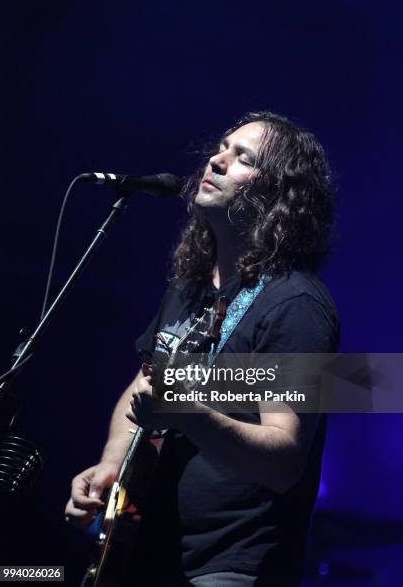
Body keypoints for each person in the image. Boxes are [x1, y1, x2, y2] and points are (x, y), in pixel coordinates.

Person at [65, 111, 340, 586]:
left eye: (242, 158)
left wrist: (187, 413)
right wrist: (110, 466)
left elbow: (284, 459)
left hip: (229, 565)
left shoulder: (296, 304)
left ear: (277, 194)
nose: (215, 160)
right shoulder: (190, 289)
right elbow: (141, 392)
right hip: (151, 552)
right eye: (221, 148)